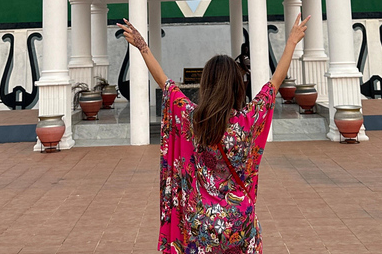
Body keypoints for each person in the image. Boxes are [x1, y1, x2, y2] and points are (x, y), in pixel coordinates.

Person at [118, 14, 309, 253]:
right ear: (237, 85)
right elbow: (275, 83)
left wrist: (142, 46)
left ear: (206, 84)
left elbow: (165, 84)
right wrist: (290, 42)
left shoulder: (193, 119)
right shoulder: (247, 120)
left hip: (201, 223)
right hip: (240, 222)